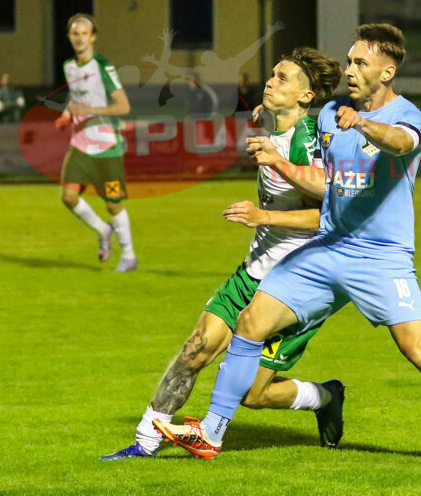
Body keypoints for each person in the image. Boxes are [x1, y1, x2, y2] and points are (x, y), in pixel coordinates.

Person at [153, 23, 421, 470]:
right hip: (327, 250)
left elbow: (401, 142)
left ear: (386, 72)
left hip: (381, 259)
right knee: (251, 322)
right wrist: (274, 130)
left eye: (360, 62)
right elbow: (319, 169)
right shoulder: (331, 114)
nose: (350, 69)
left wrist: (364, 123)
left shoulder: (407, 116)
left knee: (420, 352)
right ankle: (211, 432)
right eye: (349, 60)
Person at [101, 48, 346, 461]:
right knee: (195, 349)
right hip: (252, 274)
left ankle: (325, 397)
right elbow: (273, 126)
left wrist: (260, 214)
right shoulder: (279, 125)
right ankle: (144, 443)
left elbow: (331, 215)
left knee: (253, 394)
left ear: (307, 97)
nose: (270, 81)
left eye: (283, 78)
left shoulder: (306, 142)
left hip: (296, 286)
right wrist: (263, 119)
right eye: (272, 74)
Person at [54, 13, 137, 272]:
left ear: (93, 38)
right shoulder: (68, 66)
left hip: (106, 146)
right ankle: (103, 230)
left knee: (112, 203)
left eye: (84, 34)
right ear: (69, 37)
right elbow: (76, 98)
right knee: (68, 196)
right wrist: (67, 113)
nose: (79, 38)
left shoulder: (103, 66)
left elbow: (123, 106)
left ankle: (128, 256)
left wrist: (89, 110)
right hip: (79, 143)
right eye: (74, 33)